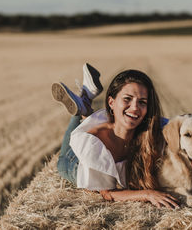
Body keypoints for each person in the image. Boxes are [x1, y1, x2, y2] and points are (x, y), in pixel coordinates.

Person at [52, 63, 178, 209]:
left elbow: (182, 126)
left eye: (142, 102)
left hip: (114, 124)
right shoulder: (94, 140)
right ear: (111, 102)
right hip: (73, 163)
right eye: (127, 99)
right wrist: (148, 194)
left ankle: (85, 103)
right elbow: (108, 193)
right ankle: (83, 103)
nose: (135, 108)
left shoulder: (151, 128)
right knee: (68, 150)